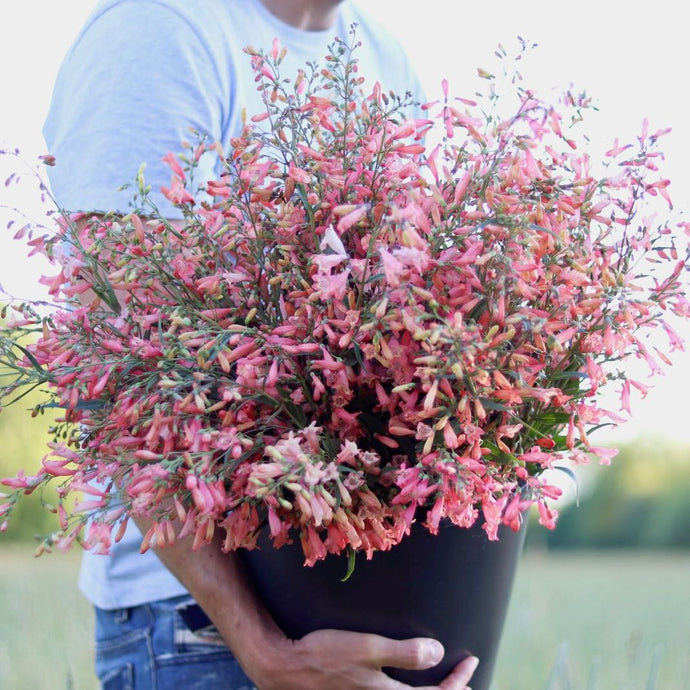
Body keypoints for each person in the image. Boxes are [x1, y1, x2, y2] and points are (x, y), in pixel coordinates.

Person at [43, 1, 479, 688]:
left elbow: (399, 354)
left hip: (370, 604)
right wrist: (263, 647)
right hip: (199, 629)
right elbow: (114, 377)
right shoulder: (161, 32)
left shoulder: (386, 58)